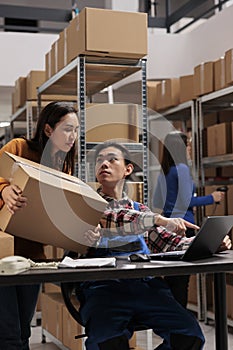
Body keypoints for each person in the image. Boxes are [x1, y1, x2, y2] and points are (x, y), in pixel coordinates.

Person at [79, 141, 207, 350]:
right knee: (106, 343)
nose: (104, 164)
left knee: (190, 336)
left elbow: (171, 243)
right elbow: (115, 216)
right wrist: (159, 219)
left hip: (146, 288)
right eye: (100, 160)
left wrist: (206, 242)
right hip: (105, 290)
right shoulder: (87, 205)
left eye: (112, 159)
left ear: (128, 169)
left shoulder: (141, 210)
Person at [0, 101, 79, 350]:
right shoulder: (19, 148)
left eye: (76, 130)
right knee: (9, 335)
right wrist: (4, 190)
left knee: (24, 331)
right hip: (3, 255)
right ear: (47, 130)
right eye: (67, 129)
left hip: (33, 258)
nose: (73, 136)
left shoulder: (63, 167)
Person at [153, 131, 225, 308]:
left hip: (167, 230)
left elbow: (156, 200)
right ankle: (180, 324)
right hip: (184, 228)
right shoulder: (182, 169)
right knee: (181, 283)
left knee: (172, 280)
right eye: (188, 145)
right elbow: (187, 202)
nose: (190, 149)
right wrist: (212, 198)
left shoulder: (165, 171)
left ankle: (171, 324)